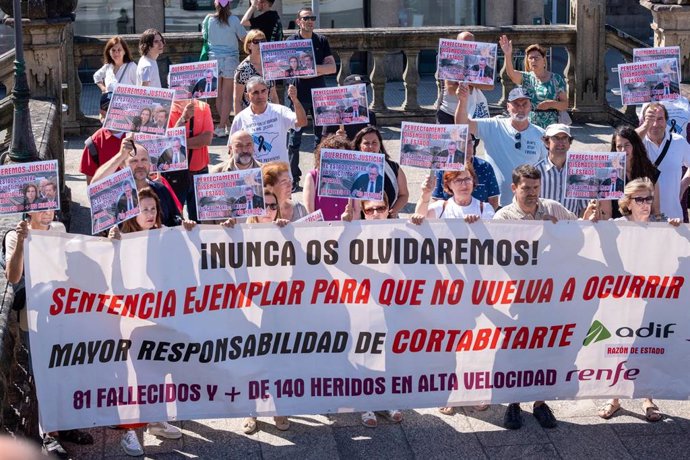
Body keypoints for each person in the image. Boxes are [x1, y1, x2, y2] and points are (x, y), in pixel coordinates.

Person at [4, 210, 95, 458]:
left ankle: (66, 426)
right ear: (28, 209)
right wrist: (23, 243)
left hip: (61, 315)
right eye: (41, 207)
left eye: (50, 205)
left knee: (66, 371)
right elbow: (13, 276)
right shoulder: (15, 235)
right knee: (42, 377)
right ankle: (49, 435)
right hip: (34, 320)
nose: (47, 211)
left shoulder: (58, 230)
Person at [107, 188, 190, 456]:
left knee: (160, 369)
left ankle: (155, 419)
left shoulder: (164, 235)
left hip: (160, 313)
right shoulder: (120, 238)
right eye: (144, 209)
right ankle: (130, 430)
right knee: (133, 376)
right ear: (133, 212)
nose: (150, 213)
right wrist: (112, 245)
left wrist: (188, 232)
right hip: (132, 318)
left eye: (153, 208)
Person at [492, 165, 575, 429]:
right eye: (526, 188)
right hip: (516, 298)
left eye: (536, 188)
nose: (532, 193)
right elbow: (501, 260)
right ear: (513, 188)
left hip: (550, 296)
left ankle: (540, 403)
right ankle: (514, 404)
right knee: (514, 351)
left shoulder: (553, 208)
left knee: (545, 349)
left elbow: (583, 235)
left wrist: (563, 230)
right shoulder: (503, 217)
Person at [597, 177, 681, 422]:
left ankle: (647, 398)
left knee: (646, 346)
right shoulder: (616, 225)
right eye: (640, 199)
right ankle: (614, 398)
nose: (646, 204)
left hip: (651, 297)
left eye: (649, 199)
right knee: (616, 346)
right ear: (628, 202)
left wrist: (678, 229)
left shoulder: (661, 224)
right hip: (621, 296)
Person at [340, 193, 404, 427]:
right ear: (363, 212)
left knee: (387, 353)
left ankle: (385, 399)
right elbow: (338, 258)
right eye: (370, 210)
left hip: (390, 304)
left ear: (389, 209)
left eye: (381, 208)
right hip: (361, 304)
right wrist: (348, 224)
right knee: (364, 352)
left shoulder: (400, 231)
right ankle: (364, 403)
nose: (376, 213)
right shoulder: (355, 231)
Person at [456, 84, 547, 207]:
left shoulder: (540, 134)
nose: (520, 108)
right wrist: (463, 100)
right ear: (508, 107)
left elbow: (545, 170)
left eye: (524, 104)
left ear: (530, 106)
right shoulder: (494, 126)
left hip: (528, 204)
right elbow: (462, 124)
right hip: (496, 202)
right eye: (516, 104)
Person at [286, 7, 337, 192]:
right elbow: (285, 67)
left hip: (319, 95)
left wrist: (308, 69)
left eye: (312, 18)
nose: (310, 21)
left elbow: (331, 68)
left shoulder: (321, 40)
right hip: (297, 96)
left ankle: (319, 176)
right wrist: (314, 69)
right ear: (298, 21)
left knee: (321, 138)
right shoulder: (291, 41)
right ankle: (293, 179)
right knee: (294, 140)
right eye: (306, 18)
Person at [91, 134, 182, 227]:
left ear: (150, 164)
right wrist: (120, 156)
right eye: (134, 161)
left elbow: (175, 218)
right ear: (122, 166)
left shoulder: (160, 189)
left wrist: (185, 224)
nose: (140, 165)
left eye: (144, 160)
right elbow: (94, 186)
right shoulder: (115, 195)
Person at [230, 76, 307, 164]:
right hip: (255, 173)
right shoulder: (240, 118)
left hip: (279, 172)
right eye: (255, 92)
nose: (260, 96)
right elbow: (232, 149)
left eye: (263, 91)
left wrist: (295, 100)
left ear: (268, 92)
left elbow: (302, 122)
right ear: (247, 96)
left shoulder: (280, 111)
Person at [499, 36, 568, 129]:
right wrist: (507, 54)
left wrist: (551, 104)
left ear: (544, 60)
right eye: (530, 58)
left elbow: (565, 105)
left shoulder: (556, 79)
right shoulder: (526, 77)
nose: (533, 60)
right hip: (530, 125)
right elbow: (511, 73)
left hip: (551, 126)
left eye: (537, 58)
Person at [636, 103, 690, 220]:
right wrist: (646, 125)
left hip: (673, 217)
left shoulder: (679, 142)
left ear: (666, 121)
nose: (655, 124)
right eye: (650, 119)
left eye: (660, 119)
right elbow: (627, 141)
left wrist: (683, 185)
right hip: (643, 218)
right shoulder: (638, 143)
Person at [201, 0, 247, 137]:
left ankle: (225, 124)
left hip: (213, 60)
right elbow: (244, 37)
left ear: (215, 5)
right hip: (230, 59)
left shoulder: (208, 19)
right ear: (229, 5)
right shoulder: (233, 20)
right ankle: (222, 126)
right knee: (227, 96)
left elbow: (205, 36)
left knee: (218, 95)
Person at [165, 99, 214, 221]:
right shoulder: (165, 109)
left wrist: (178, 144)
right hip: (174, 174)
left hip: (199, 172)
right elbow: (165, 144)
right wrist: (183, 118)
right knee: (174, 218)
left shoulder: (203, 107)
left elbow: (206, 139)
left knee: (200, 219)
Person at [599, 125, 661, 219]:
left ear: (635, 146)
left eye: (627, 145)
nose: (623, 150)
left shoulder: (650, 172)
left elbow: (655, 211)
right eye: (619, 146)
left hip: (644, 229)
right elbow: (607, 214)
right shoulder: (607, 174)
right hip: (617, 228)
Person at [353, 126, 409, 218]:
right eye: (366, 143)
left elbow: (404, 195)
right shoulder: (351, 168)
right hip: (360, 222)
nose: (371, 146)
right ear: (360, 146)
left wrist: (393, 211)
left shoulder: (394, 167)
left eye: (374, 142)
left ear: (380, 144)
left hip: (388, 220)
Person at [431, 134, 499, 210]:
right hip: (451, 218)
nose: (466, 147)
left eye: (469, 142)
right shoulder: (442, 167)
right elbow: (436, 200)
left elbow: (493, 201)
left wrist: (483, 217)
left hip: (480, 219)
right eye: (460, 143)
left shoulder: (485, 166)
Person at [534, 123, 587, 216]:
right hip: (544, 226)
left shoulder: (579, 172)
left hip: (571, 226)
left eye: (564, 138)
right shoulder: (536, 171)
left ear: (569, 142)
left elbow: (583, 206)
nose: (561, 142)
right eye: (556, 138)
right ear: (547, 142)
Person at [415, 165, 495, 221]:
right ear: (449, 184)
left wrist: (479, 225)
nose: (464, 185)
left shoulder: (485, 209)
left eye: (467, 179)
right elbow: (420, 219)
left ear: (473, 180)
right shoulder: (441, 207)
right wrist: (426, 193)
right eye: (458, 180)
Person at [303, 134, 352, 221]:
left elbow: (356, 211)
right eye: (333, 156)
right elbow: (309, 213)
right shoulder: (312, 177)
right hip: (321, 231)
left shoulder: (352, 179)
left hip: (347, 230)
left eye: (342, 156)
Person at [233, 30, 279, 116]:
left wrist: (278, 116)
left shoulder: (268, 64)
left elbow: (273, 95)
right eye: (256, 42)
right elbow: (237, 100)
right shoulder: (242, 69)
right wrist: (239, 125)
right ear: (249, 45)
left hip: (270, 115)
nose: (260, 44)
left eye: (262, 41)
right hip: (251, 117)